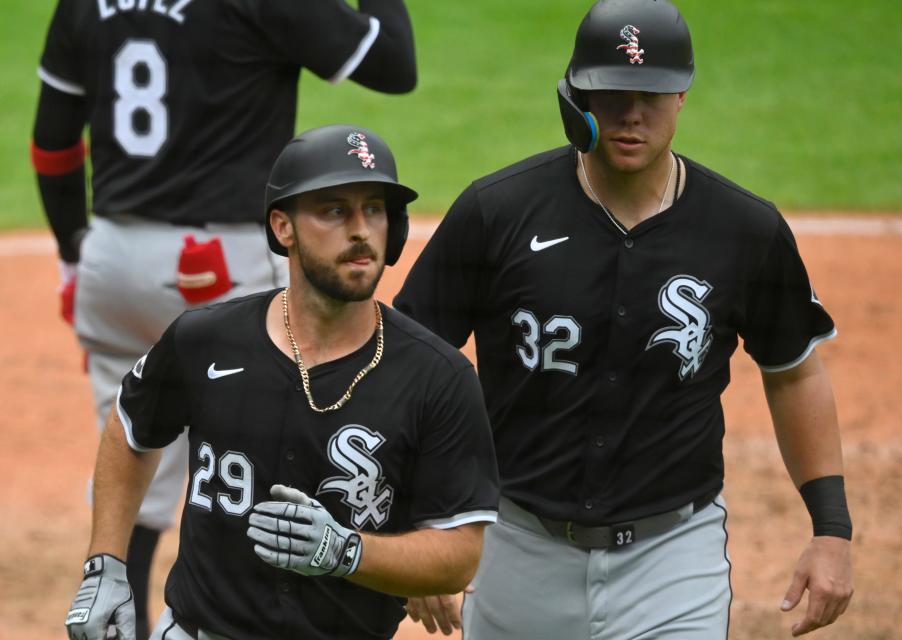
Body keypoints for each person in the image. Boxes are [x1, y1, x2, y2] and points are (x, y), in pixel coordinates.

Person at [394, 1, 854, 638]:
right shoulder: (496, 213)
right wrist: (419, 524)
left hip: (672, 560)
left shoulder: (743, 230)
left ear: (683, 95)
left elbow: (794, 374)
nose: (632, 112)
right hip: (514, 546)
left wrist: (831, 530)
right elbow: (408, 366)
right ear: (575, 95)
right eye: (612, 94)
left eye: (653, 93)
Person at [32, 1, 416, 635]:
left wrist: (76, 258)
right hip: (223, 262)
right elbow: (393, 64)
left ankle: (115, 616)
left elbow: (52, 142)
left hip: (113, 258)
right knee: (269, 454)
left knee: (133, 448)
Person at [63, 125, 500, 640]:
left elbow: (459, 553)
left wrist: (346, 552)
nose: (360, 231)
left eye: (374, 209)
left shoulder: (438, 377)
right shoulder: (206, 340)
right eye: (334, 210)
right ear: (283, 228)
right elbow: (131, 426)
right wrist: (106, 564)